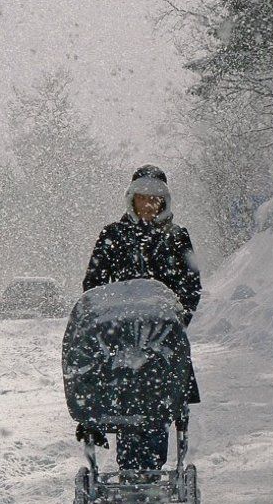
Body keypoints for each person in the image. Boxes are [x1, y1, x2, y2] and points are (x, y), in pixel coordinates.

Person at [77, 165, 201, 473]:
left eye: (155, 200)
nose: (148, 205)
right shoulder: (113, 235)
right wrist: (106, 317)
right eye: (142, 198)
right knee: (121, 396)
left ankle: (148, 467)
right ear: (131, 200)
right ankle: (131, 465)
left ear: (164, 203)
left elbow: (190, 287)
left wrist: (175, 319)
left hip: (160, 338)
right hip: (117, 337)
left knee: (157, 400)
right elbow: (93, 284)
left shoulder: (177, 238)